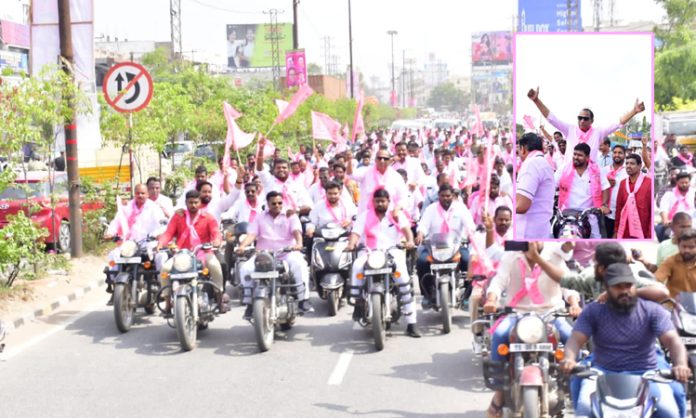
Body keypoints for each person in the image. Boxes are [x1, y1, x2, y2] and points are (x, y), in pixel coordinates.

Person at [561, 263, 690, 418]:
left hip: (646, 372)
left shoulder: (652, 310)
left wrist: (681, 365)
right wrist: (569, 359)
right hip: (602, 372)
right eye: (617, 287)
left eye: (628, 286)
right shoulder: (594, 311)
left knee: (668, 411)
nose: (624, 291)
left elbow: (673, 341)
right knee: (584, 407)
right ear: (606, 289)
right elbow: (575, 339)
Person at [483, 242, 581, 417]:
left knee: (574, 339)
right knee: (498, 335)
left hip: (551, 313)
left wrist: (574, 304)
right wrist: (491, 300)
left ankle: (574, 390)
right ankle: (499, 392)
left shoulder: (555, 256)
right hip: (517, 314)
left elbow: (568, 284)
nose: (532, 242)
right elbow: (498, 282)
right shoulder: (511, 256)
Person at [344, 189, 421, 338]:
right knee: (357, 265)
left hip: (392, 251)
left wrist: (410, 241)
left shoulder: (395, 216)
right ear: (373, 201)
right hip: (369, 252)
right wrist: (351, 244)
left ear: (388, 202)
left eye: (383, 201)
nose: (380, 203)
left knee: (403, 280)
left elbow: (407, 230)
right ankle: (358, 303)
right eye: (377, 200)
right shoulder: (364, 216)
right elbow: (355, 233)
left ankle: (412, 323)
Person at [236, 191, 314, 319]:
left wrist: (299, 243)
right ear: (268, 204)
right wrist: (242, 246)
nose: (277, 205)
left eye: (279, 203)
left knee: (300, 264)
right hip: (264, 254)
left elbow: (296, 231)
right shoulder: (260, 217)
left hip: (286, 252)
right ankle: (249, 304)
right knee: (245, 269)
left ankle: (303, 300)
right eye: (273, 203)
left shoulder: (290, 215)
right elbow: (252, 234)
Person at [527, 86, 645, 163]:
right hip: (569, 177)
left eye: (585, 118)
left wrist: (634, 111)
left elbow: (618, 123)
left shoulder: (598, 132)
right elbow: (552, 118)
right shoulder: (570, 129)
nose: (582, 120)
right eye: (580, 118)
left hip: (590, 179)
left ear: (591, 121)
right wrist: (536, 100)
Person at [156, 190, 225, 314]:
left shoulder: (208, 217)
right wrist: (161, 243)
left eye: (195, 202)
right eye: (190, 202)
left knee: (215, 266)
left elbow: (216, 232)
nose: (193, 205)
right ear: (186, 203)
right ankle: (167, 302)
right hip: (182, 253)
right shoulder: (178, 216)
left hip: (203, 251)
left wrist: (216, 241)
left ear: (200, 203)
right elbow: (168, 233)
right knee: (165, 269)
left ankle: (219, 300)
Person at [415, 184, 476, 309]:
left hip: (456, 247)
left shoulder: (461, 208)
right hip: (434, 248)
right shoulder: (431, 209)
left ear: (453, 196)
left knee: (469, 261)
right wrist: (420, 235)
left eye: (448, 196)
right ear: (438, 196)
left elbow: (470, 225)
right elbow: (423, 226)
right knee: (421, 262)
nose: (445, 198)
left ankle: (467, 294)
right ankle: (427, 294)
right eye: (442, 196)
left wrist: (471, 234)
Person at [103, 184, 166, 301]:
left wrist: (157, 234)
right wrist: (110, 233)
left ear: (147, 194)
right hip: (129, 244)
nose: (140, 195)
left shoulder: (154, 208)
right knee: (113, 256)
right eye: (137, 193)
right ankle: (116, 284)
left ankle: (162, 286)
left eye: (143, 193)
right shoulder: (127, 207)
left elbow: (162, 224)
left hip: (147, 243)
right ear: (134, 194)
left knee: (160, 258)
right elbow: (117, 221)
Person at [555, 143, 611, 238]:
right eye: (575, 154)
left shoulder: (596, 170)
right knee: (554, 235)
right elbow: (552, 185)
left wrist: (604, 205)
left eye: (580, 155)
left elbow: (605, 187)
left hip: (589, 214)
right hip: (566, 214)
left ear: (587, 157)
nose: (576, 157)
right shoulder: (564, 169)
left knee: (596, 240)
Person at [256, 136, 313, 216]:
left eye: (284, 167)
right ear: (274, 170)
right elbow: (259, 169)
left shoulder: (297, 185)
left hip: (294, 219)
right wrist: (261, 150)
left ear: (289, 170)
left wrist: (296, 210)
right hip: (272, 220)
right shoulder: (268, 181)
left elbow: (309, 206)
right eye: (278, 168)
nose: (281, 170)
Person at [515, 132, 555, 239]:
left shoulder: (531, 164)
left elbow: (522, 206)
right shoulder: (543, 163)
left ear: (523, 149)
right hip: (540, 230)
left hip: (528, 232)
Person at [348, 147, 408, 214]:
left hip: (387, 218)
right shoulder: (366, 171)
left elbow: (403, 197)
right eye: (379, 158)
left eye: (385, 159)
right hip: (366, 216)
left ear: (389, 160)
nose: (382, 160)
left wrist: (397, 209)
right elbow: (350, 175)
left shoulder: (396, 177)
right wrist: (349, 160)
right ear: (375, 160)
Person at [614, 154, 653, 239]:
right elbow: (619, 208)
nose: (628, 166)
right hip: (624, 230)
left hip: (643, 231)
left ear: (639, 166)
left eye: (632, 163)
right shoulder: (623, 183)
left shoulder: (649, 183)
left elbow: (651, 211)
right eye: (627, 163)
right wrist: (616, 230)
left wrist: (650, 235)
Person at [656, 228, 696, 298]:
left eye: (691, 247)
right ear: (678, 245)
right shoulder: (671, 261)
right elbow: (658, 278)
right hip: (673, 306)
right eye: (683, 246)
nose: (686, 250)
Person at [601, 144, 627, 237]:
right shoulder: (604, 170)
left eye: (620, 153)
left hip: (622, 212)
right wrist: (606, 182)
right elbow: (599, 188)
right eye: (615, 152)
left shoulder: (627, 171)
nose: (617, 155)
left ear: (625, 155)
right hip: (606, 212)